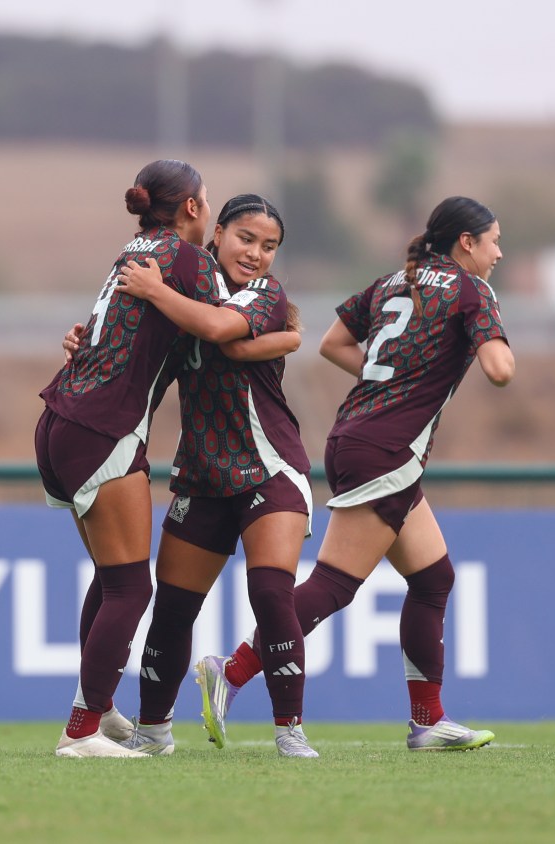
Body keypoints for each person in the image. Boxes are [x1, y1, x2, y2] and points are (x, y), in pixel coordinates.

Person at [196, 195, 516, 751]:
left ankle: (428, 720)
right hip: (386, 450)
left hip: (357, 436)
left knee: (433, 578)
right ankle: (230, 672)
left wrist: (389, 381)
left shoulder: (396, 280)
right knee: (333, 586)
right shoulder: (472, 290)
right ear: (466, 243)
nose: (499, 252)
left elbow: (332, 343)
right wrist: (489, 347)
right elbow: (499, 371)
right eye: (493, 241)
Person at [35, 158, 246, 758]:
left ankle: (97, 712)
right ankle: (79, 732)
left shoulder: (134, 249)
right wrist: (289, 331)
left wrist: (85, 340)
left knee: (112, 577)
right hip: (102, 426)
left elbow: (125, 332)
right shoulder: (184, 258)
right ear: (194, 208)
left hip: (61, 418)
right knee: (131, 586)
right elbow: (228, 325)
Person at [107, 195, 319, 758]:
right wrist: (85, 345)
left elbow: (221, 327)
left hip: (270, 468)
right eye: (245, 239)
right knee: (174, 608)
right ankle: (153, 733)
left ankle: (289, 731)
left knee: (271, 593)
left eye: (268, 246)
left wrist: (155, 291)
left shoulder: (263, 294)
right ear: (217, 233)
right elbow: (135, 353)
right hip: (202, 473)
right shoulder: (185, 296)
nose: (256, 254)